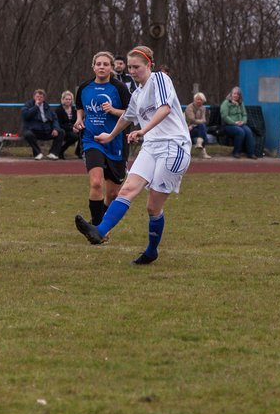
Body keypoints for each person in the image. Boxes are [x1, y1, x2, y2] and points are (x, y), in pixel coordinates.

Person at [74, 45, 190, 265]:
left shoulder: (160, 80)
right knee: (126, 189)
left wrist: (143, 131)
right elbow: (127, 117)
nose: (132, 71)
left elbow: (164, 109)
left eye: (137, 67)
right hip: (152, 147)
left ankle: (151, 251)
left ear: (149, 65)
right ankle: (99, 232)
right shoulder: (136, 93)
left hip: (174, 146)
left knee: (152, 206)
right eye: (129, 67)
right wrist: (110, 136)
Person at [74, 51, 132, 224]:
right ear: (93, 66)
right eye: (98, 64)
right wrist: (78, 119)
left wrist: (114, 111)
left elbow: (131, 113)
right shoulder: (84, 87)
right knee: (97, 183)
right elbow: (79, 106)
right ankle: (98, 228)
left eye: (106, 64)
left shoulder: (119, 88)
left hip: (115, 143)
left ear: (112, 68)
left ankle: (99, 223)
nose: (101, 67)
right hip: (92, 140)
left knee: (113, 194)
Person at [22, 89, 62, 160]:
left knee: (61, 132)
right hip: (34, 130)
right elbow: (26, 116)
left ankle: (53, 153)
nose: (39, 98)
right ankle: (37, 153)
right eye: (37, 96)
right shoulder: (28, 105)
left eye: (41, 97)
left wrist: (55, 129)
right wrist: (36, 107)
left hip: (46, 130)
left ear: (44, 98)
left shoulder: (47, 107)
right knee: (27, 134)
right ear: (34, 97)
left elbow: (54, 119)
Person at [220, 86, 258, 159]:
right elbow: (224, 116)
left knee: (248, 131)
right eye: (234, 93)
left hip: (240, 124)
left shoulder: (241, 103)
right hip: (228, 125)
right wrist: (234, 123)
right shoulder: (226, 103)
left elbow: (244, 114)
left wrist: (243, 121)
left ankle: (251, 153)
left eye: (238, 94)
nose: (236, 95)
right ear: (231, 94)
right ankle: (236, 152)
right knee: (240, 132)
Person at [54, 90, 82, 160]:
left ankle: (78, 152)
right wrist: (71, 128)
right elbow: (59, 124)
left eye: (69, 99)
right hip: (63, 130)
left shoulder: (74, 109)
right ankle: (61, 150)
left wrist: (77, 127)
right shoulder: (58, 110)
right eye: (66, 99)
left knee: (83, 132)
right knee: (75, 137)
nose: (68, 101)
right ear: (63, 99)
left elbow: (76, 120)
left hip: (73, 129)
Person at [185, 92, 210, 158]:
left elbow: (204, 119)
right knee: (203, 130)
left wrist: (197, 123)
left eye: (201, 100)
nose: (199, 101)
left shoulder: (203, 108)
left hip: (197, 127)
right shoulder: (189, 107)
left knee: (202, 127)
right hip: (188, 128)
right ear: (194, 99)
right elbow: (192, 119)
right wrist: (196, 123)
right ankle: (203, 152)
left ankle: (199, 142)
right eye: (197, 99)